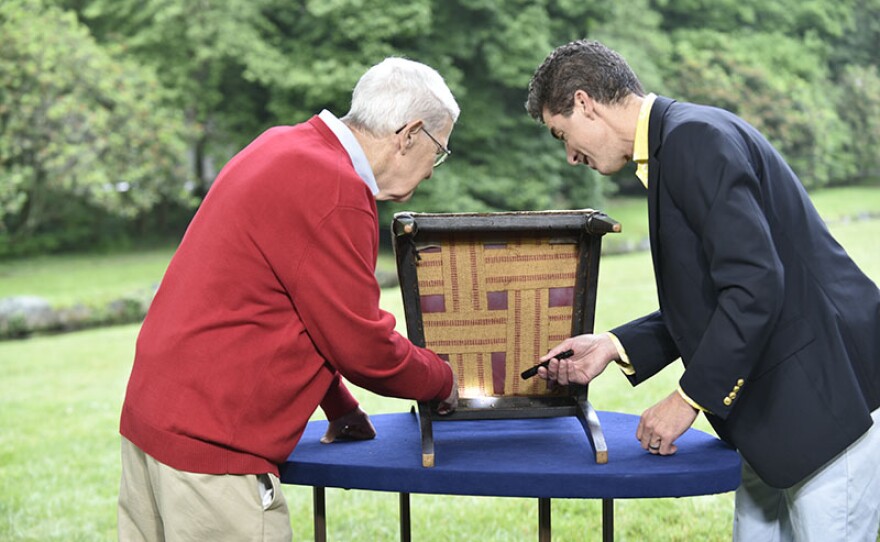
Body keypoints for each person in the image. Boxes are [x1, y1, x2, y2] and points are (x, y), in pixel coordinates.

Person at [526, 39, 880, 541]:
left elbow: (755, 286)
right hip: (772, 410)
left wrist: (688, 398)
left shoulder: (695, 140)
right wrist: (613, 345)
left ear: (585, 103)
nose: (569, 156)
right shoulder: (678, 141)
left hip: (828, 401)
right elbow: (720, 292)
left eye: (563, 134)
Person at [117, 57, 460, 541]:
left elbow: (284, 304)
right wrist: (443, 380)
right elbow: (364, 347)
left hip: (154, 422)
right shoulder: (337, 189)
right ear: (409, 134)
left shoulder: (283, 144)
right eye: (440, 151)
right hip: (212, 446)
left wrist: (338, 405)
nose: (431, 171)